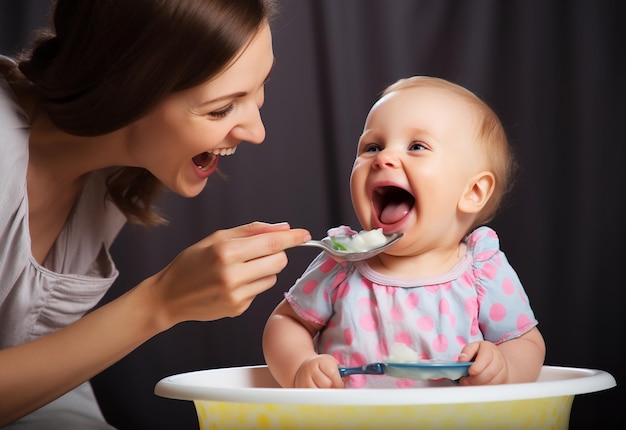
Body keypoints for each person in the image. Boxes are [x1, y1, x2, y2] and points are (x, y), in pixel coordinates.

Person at [0, 0, 312, 427]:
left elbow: (41, 362)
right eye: (222, 108)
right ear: (125, 90)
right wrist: (161, 301)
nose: (256, 132)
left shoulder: (109, 178)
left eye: (260, 88)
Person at [263, 76, 546, 389]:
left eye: (417, 146)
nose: (384, 157)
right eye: (372, 146)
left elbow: (526, 343)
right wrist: (301, 364)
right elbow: (286, 321)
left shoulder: (483, 271)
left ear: (473, 192)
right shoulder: (341, 263)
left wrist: (503, 366)